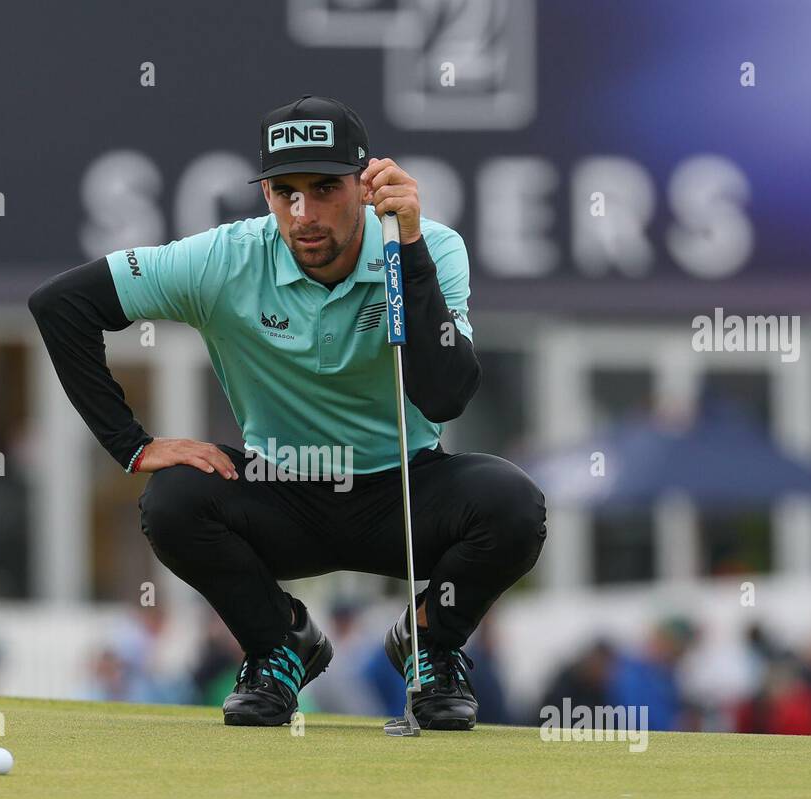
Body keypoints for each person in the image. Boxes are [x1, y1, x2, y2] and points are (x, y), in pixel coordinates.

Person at [30, 95, 546, 730]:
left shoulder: (428, 246)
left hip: (405, 490)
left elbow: (445, 396)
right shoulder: (226, 257)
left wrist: (407, 247)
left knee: (511, 503)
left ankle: (428, 644)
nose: (304, 215)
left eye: (325, 189)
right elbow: (60, 305)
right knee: (174, 500)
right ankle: (279, 646)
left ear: (365, 185)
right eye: (284, 192)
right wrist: (132, 445)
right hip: (283, 487)